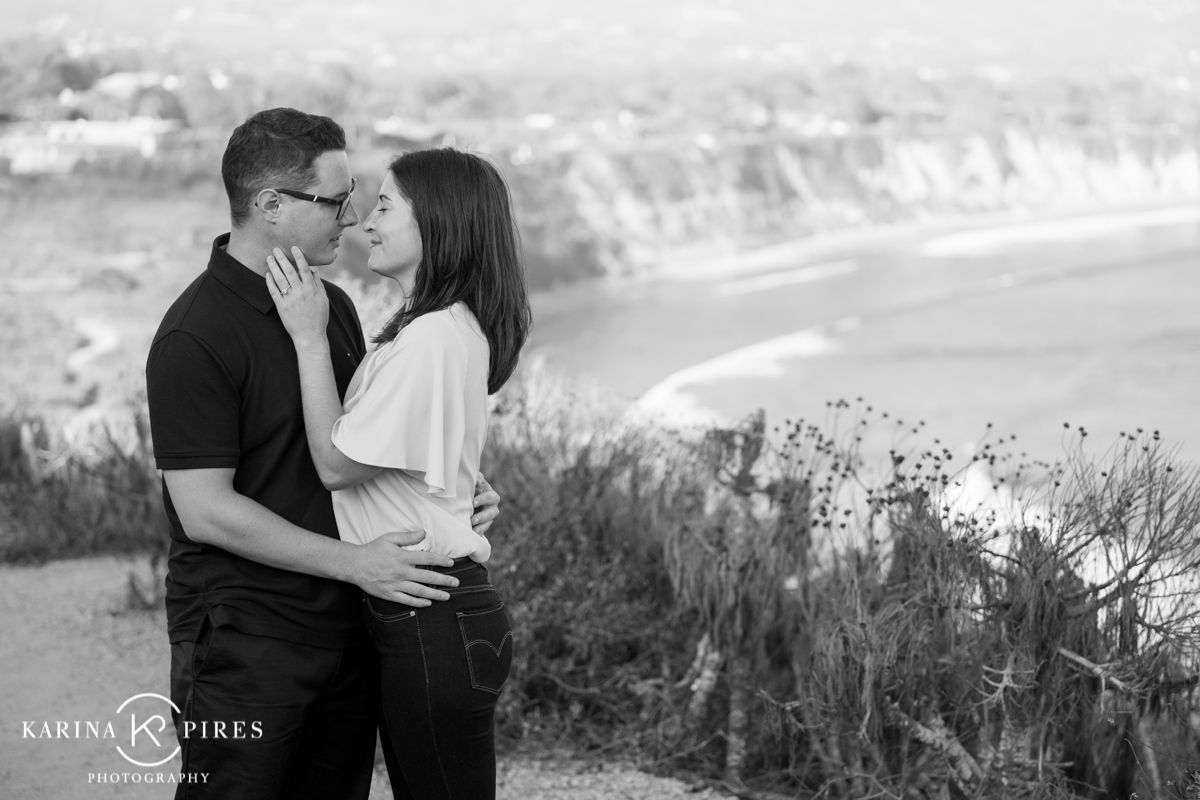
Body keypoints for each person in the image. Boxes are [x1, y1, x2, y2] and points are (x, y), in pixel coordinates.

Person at [145, 108, 502, 800]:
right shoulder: (194, 336)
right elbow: (205, 512)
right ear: (271, 205)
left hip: (350, 629)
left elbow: (364, 435)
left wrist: (454, 483)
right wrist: (357, 563)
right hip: (247, 640)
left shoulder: (332, 307)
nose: (350, 217)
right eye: (334, 201)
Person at [265, 147, 531, 799]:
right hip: (433, 613)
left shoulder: (433, 336)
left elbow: (334, 464)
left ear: (436, 222)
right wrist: (462, 488)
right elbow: (432, 445)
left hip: (432, 614)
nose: (365, 222)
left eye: (385, 205)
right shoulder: (436, 328)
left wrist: (306, 337)